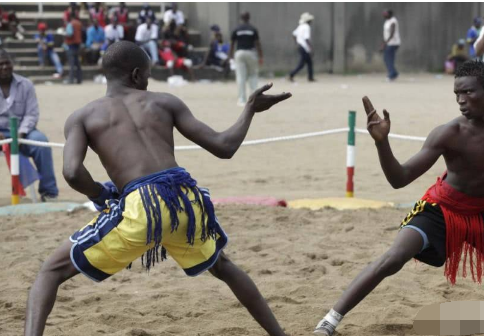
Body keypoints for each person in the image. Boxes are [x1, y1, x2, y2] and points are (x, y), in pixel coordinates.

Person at [24, 41, 292, 336]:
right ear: (137, 74)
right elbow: (224, 147)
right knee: (223, 266)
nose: (149, 81)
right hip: (185, 196)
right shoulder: (164, 102)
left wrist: (100, 195)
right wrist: (250, 110)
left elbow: (72, 172)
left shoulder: (82, 116)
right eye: (148, 75)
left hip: (142, 205)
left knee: (50, 272)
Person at [313, 60, 484, 336]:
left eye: (468, 92)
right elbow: (399, 178)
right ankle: (329, 321)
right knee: (393, 258)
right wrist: (381, 143)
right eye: (456, 94)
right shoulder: (449, 133)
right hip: (441, 210)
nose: (460, 100)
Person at [0, 49, 59, 201]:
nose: (5, 67)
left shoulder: (25, 84)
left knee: (42, 143)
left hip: (22, 131)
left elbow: (32, 114)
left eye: (7, 63)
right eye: (1, 64)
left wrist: (19, 135)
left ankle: (49, 192)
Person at [229, 12, 263, 106]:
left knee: (241, 77)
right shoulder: (253, 29)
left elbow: (232, 44)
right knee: (253, 75)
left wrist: (230, 57)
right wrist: (261, 56)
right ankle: (255, 99)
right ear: (249, 18)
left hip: (239, 53)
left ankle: (241, 100)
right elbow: (257, 44)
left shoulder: (236, 29)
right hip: (251, 53)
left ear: (241, 18)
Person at [289, 12, 315, 83]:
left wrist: (296, 43)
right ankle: (291, 74)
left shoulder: (300, 26)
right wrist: (311, 48)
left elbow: (294, 34)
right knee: (302, 64)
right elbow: (306, 39)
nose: (311, 21)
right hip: (304, 47)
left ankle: (310, 77)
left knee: (309, 62)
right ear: (308, 20)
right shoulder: (307, 27)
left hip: (300, 46)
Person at [381, 9, 401, 81]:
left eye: (385, 13)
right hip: (389, 43)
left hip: (393, 43)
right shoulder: (387, 21)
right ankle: (394, 73)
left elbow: (392, 34)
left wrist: (384, 43)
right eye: (383, 13)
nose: (384, 15)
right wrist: (384, 42)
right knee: (386, 59)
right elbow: (386, 34)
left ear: (390, 14)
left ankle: (392, 75)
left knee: (389, 59)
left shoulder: (393, 21)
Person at [64, 12, 83, 84]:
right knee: (78, 64)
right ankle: (79, 79)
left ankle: (71, 79)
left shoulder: (70, 24)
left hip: (71, 46)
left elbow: (70, 34)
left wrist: (64, 33)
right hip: (77, 46)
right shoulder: (79, 23)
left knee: (71, 64)